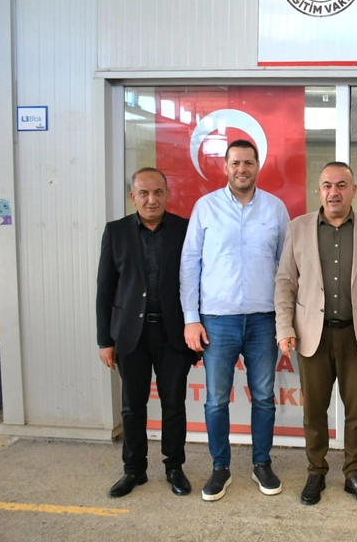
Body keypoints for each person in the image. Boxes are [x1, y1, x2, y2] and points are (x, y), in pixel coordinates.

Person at [180, 139, 290, 502]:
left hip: (263, 320)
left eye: (248, 162)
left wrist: (285, 319)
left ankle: (262, 464)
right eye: (235, 163)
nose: (242, 168)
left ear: (258, 165)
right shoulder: (206, 208)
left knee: (264, 397)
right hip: (217, 321)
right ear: (225, 167)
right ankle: (220, 468)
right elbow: (189, 265)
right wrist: (191, 318)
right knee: (215, 400)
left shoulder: (275, 209)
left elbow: (286, 267)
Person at [274, 162, 357, 507]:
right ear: (319, 190)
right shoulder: (298, 228)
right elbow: (285, 281)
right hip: (312, 335)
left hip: (356, 335)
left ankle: (354, 473)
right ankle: (316, 472)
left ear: (353, 190)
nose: (333, 192)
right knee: (314, 411)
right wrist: (284, 327)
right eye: (327, 185)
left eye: (341, 185)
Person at [96, 168, 198, 498]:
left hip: (173, 334)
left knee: (174, 405)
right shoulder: (116, 232)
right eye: (143, 193)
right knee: (132, 407)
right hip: (130, 336)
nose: (151, 199)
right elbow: (105, 289)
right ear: (133, 197)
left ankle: (174, 467)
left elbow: (197, 280)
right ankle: (133, 469)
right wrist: (104, 340)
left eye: (157, 192)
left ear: (167, 194)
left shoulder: (184, 229)